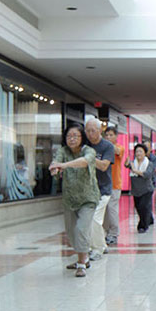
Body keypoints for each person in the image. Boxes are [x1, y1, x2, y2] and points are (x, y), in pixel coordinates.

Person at [49, 125, 99, 277]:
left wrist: (63, 165)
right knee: (71, 233)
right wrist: (54, 169)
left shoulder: (89, 151)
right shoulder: (62, 151)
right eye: (69, 136)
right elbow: (55, 162)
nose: (72, 139)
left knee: (81, 229)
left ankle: (82, 263)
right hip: (70, 199)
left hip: (88, 198)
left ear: (82, 138)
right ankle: (83, 257)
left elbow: (84, 162)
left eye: (75, 136)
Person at [85, 117, 114, 260]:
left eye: (93, 131)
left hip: (104, 189)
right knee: (90, 220)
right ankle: (102, 244)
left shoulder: (107, 146)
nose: (90, 134)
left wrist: (89, 158)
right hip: (88, 190)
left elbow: (103, 166)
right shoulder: (84, 145)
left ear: (99, 130)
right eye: (88, 131)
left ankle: (97, 249)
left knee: (95, 219)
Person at [126, 143, 156, 233]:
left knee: (144, 206)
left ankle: (143, 225)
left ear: (145, 153)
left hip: (147, 189)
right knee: (138, 207)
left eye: (140, 151)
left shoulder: (149, 164)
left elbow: (147, 175)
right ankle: (148, 220)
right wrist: (127, 163)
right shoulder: (133, 163)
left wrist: (135, 170)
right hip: (136, 190)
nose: (138, 153)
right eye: (136, 151)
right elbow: (127, 165)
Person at [103, 124, 124, 246]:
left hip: (115, 184)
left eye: (111, 135)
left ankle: (114, 234)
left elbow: (116, 151)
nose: (108, 137)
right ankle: (105, 233)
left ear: (116, 136)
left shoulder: (119, 148)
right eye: (107, 135)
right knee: (104, 211)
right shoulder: (104, 148)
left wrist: (105, 143)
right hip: (103, 184)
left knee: (112, 210)